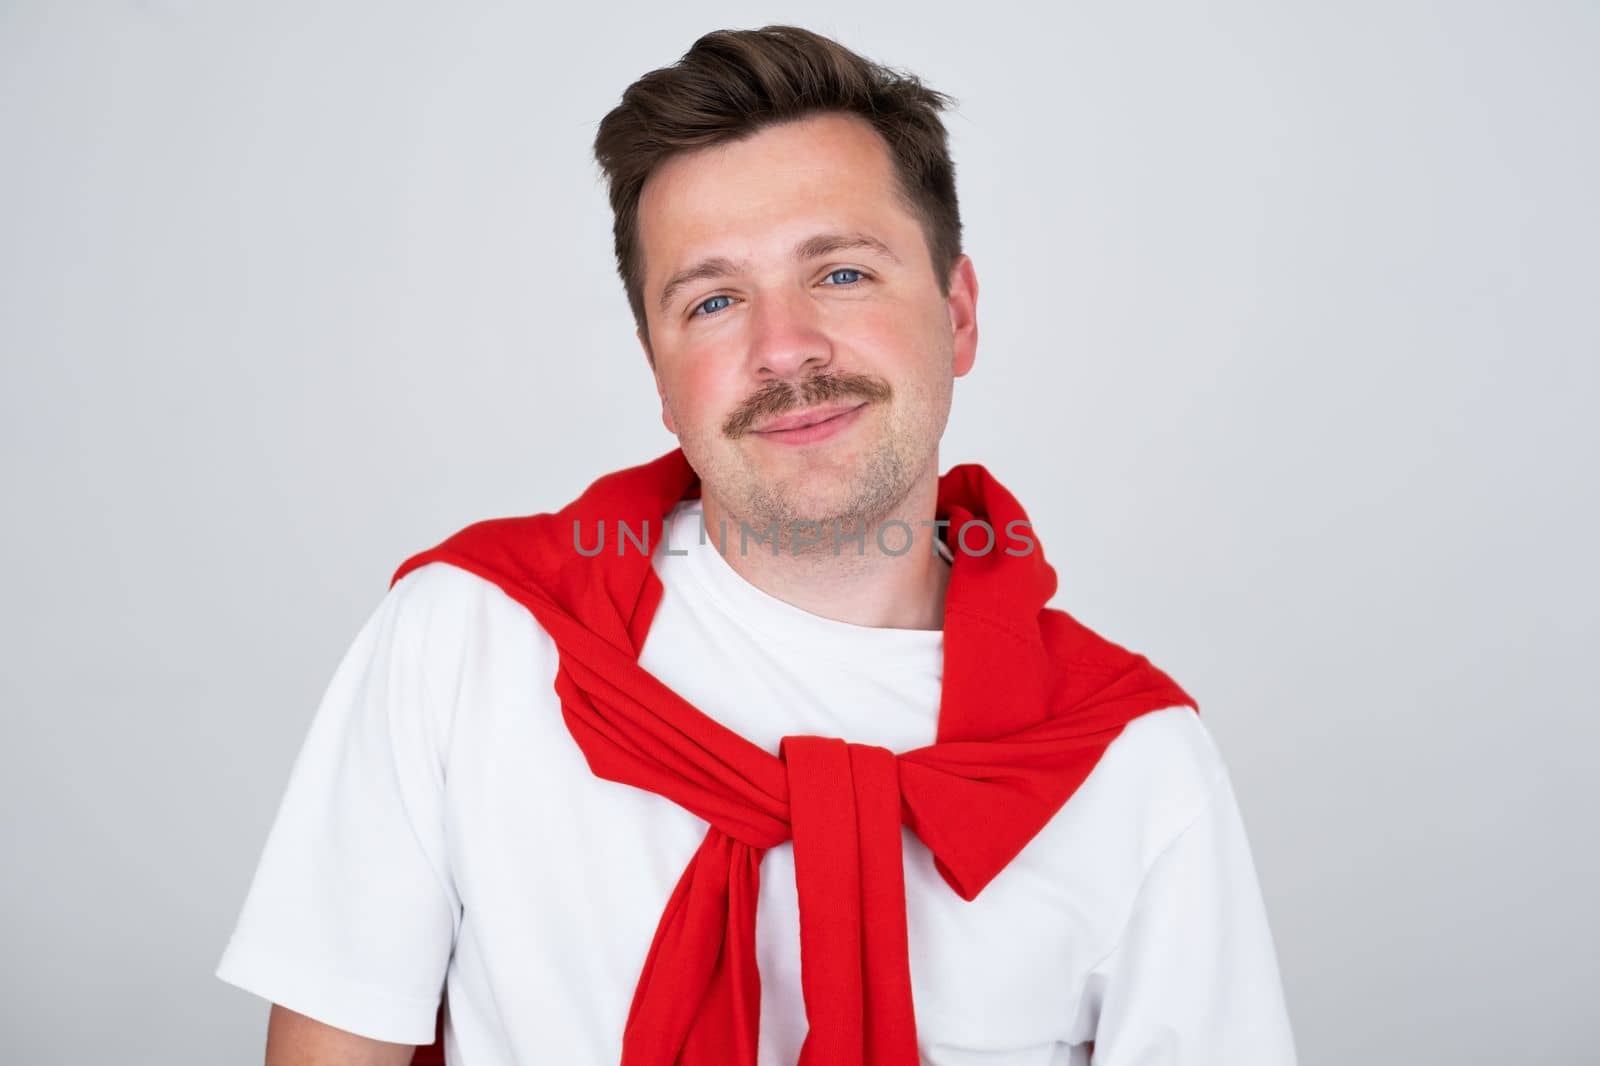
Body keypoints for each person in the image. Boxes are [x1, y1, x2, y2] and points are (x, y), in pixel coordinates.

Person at [215, 24, 1297, 1066]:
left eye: (841, 273)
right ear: (657, 370)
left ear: (957, 314)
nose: (784, 349)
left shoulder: (1132, 766)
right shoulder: (470, 639)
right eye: (716, 298)